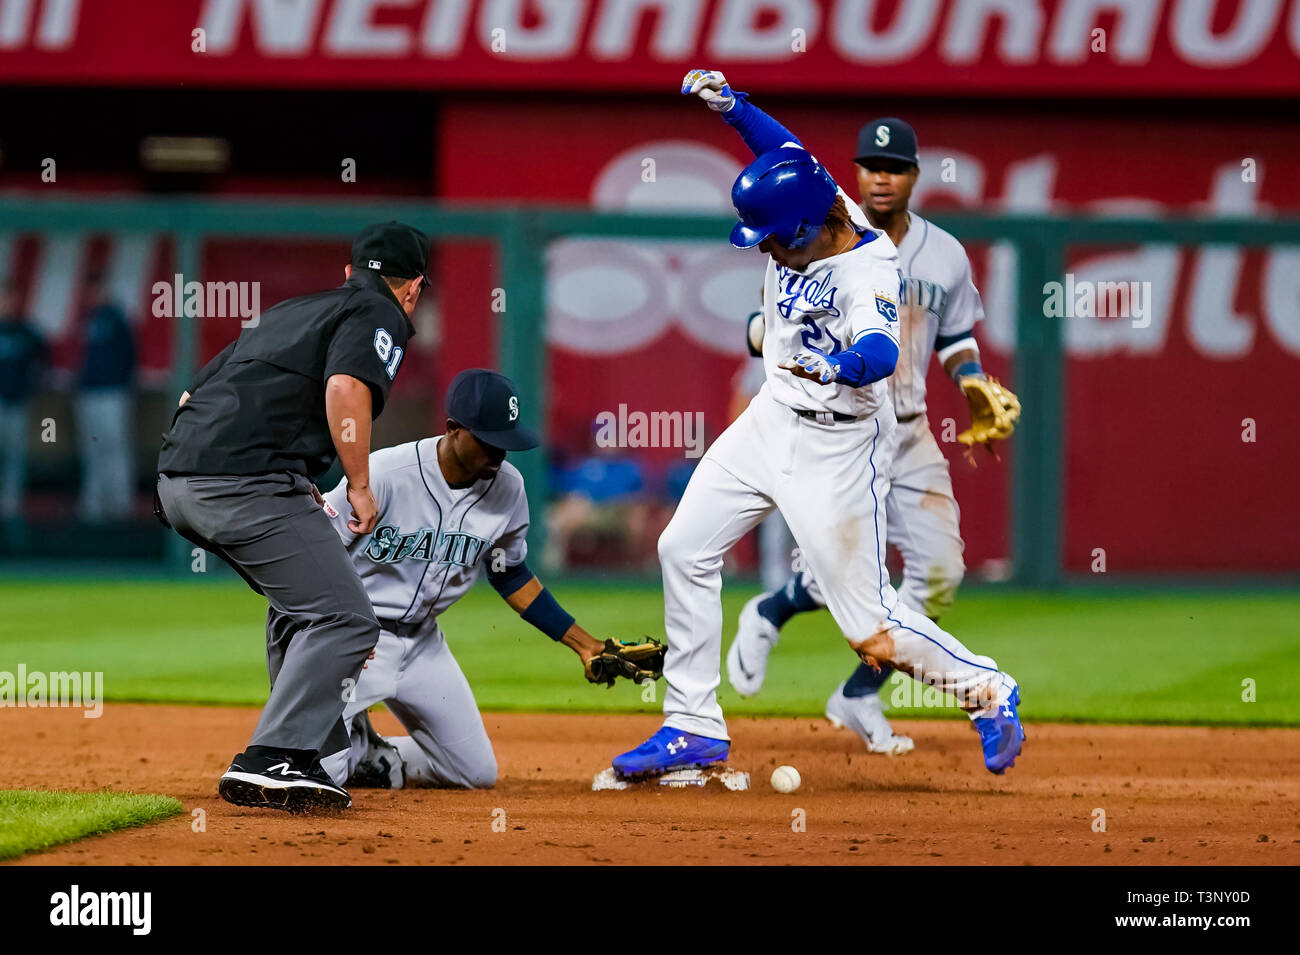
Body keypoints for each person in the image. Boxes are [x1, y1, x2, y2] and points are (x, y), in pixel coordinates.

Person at [609, 70, 1024, 781]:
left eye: (771, 237)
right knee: (682, 546)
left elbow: (881, 350)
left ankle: (989, 689)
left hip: (839, 444)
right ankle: (693, 725)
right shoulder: (822, 198)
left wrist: (843, 367)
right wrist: (735, 108)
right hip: (771, 418)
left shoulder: (869, 269)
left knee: (869, 628)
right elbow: (786, 149)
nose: (764, 248)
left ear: (807, 228)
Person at [725, 118, 1021, 756]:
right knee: (861, 581)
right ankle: (779, 614)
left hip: (908, 429)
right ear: (855, 174)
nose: (879, 177)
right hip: (841, 425)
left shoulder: (943, 254)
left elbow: (956, 338)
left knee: (939, 573)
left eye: (893, 167)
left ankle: (856, 688)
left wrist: (971, 381)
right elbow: (768, 320)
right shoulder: (825, 221)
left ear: (914, 176)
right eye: (869, 166)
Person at [156, 221, 426, 812]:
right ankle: (273, 757)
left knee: (303, 607)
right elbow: (346, 387)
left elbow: (188, 397)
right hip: (244, 482)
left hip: (179, 480)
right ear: (413, 290)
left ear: (349, 271)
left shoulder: (292, 312)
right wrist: (358, 485)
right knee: (347, 619)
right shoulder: (381, 313)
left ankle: (311, 756)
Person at [316, 369, 636, 789]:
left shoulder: (508, 490)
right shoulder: (385, 474)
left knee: (474, 773)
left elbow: (510, 573)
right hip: (358, 641)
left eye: (507, 441)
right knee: (321, 776)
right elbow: (317, 554)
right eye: (489, 440)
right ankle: (342, 748)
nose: (500, 453)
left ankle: (372, 754)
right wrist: (336, 633)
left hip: (423, 646)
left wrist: (584, 644)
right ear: (452, 430)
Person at [76, 274, 136, 523]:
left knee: (115, 447)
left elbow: (129, 357)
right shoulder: (87, 319)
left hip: (113, 393)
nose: (94, 295)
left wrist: (122, 385)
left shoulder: (117, 318)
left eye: (97, 289)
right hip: (90, 393)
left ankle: (120, 504)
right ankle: (94, 504)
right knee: (92, 448)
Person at [0, 281, 47, 522]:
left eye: (10, 299)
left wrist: (32, 387)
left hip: (17, 403)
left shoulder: (26, 331)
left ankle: (10, 508)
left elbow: (42, 358)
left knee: (14, 458)